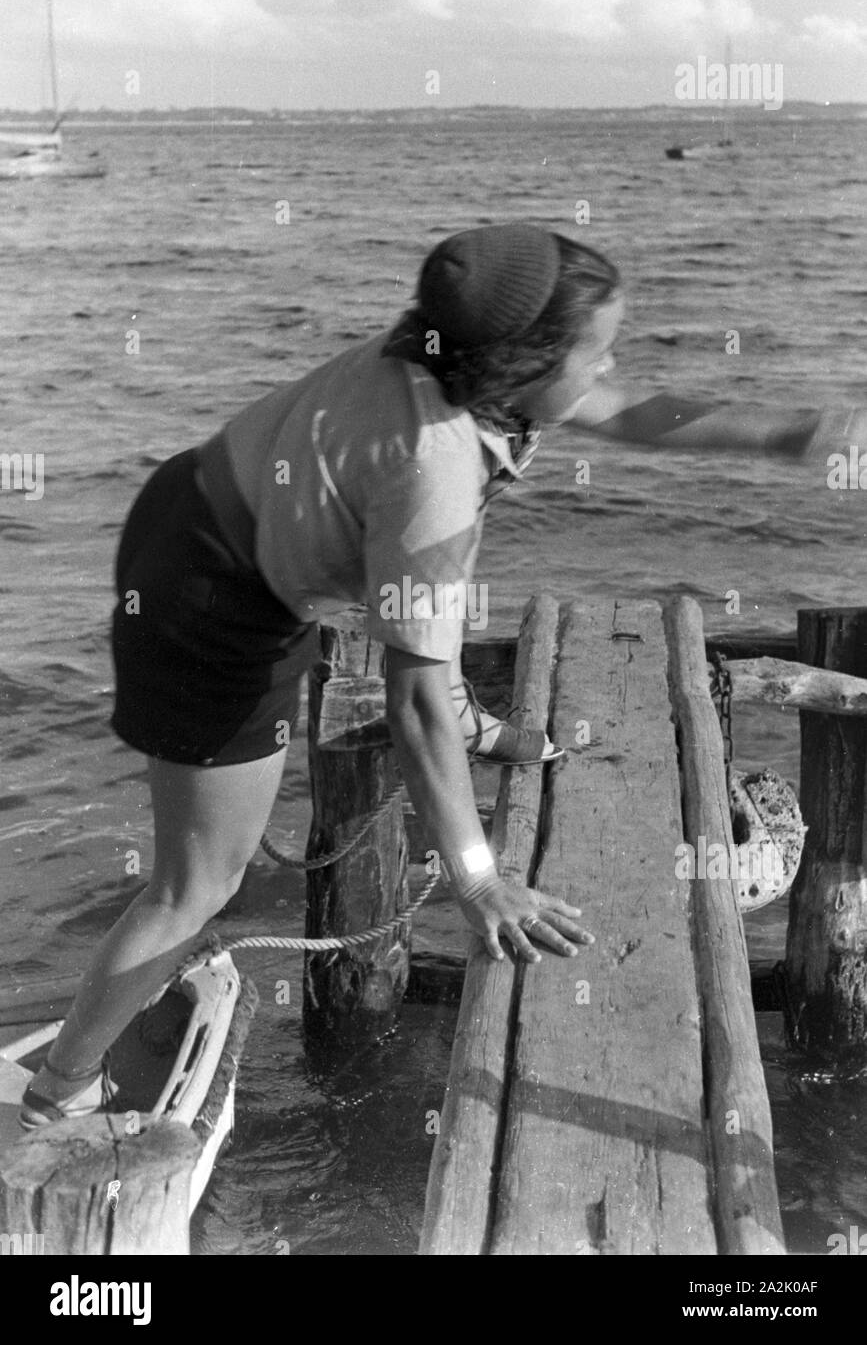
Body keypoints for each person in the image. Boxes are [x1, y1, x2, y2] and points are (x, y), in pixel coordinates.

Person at [20, 222, 615, 1128]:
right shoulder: (436, 467)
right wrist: (478, 880)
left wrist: (777, 435)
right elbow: (412, 705)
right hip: (212, 600)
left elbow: (615, 409)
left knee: (428, 642)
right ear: (523, 367)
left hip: (202, 506)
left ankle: (475, 720)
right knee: (195, 884)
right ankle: (56, 1094)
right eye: (599, 353)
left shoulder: (431, 351)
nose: (610, 372)